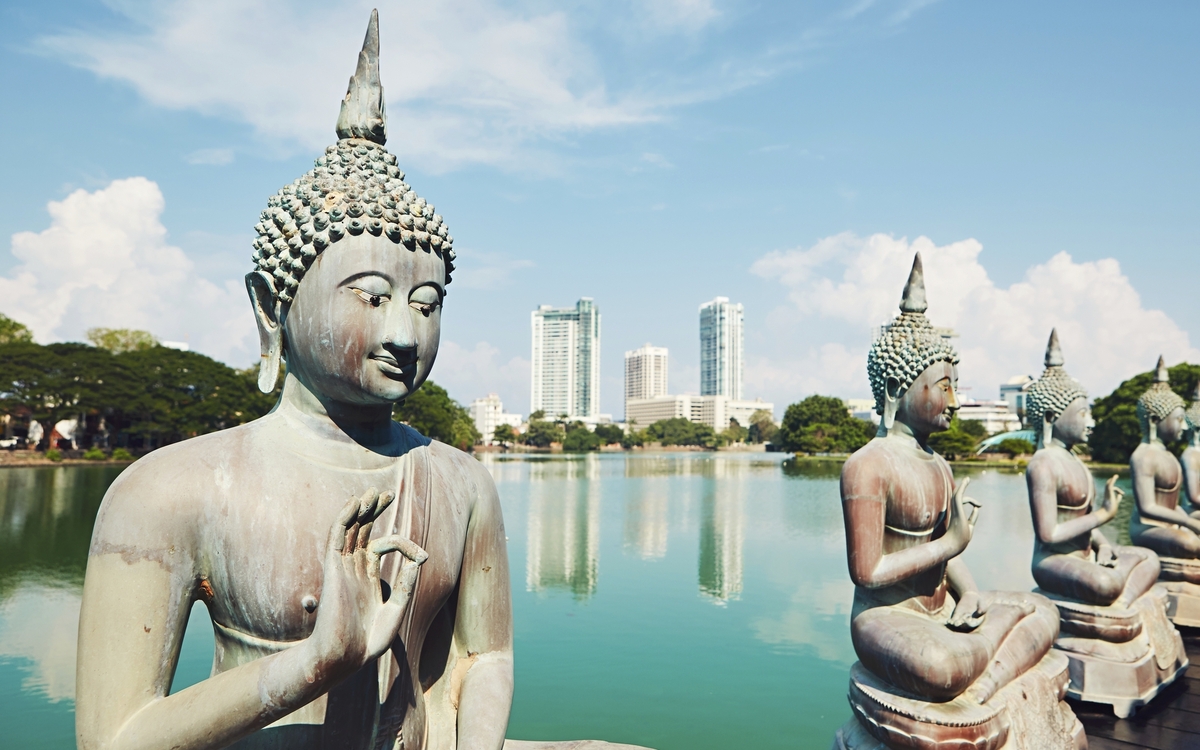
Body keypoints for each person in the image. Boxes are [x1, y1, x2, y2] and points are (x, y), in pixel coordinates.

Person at [76, 12, 513, 749]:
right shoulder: (175, 490)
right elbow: (113, 739)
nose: (405, 334)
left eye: (427, 304)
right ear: (271, 303)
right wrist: (314, 664)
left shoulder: (460, 481)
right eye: (371, 296)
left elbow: (485, 656)